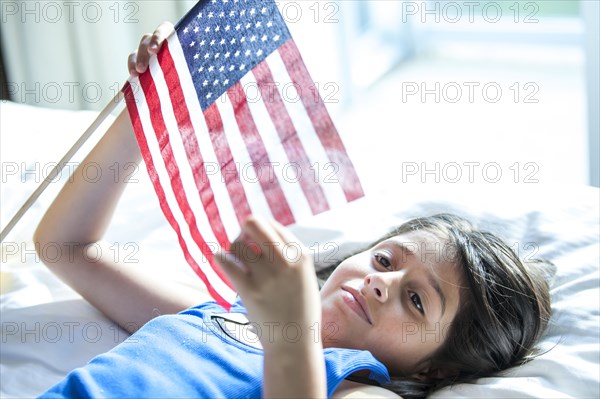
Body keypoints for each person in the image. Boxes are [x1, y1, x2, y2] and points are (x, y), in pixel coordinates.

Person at [34, 22, 553, 399]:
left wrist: (293, 332)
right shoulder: (219, 316)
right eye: (386, 261)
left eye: (416, 300)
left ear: (433, 371)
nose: (382, 283)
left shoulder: (353, 386)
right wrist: (144, 106)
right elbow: (65, 248)